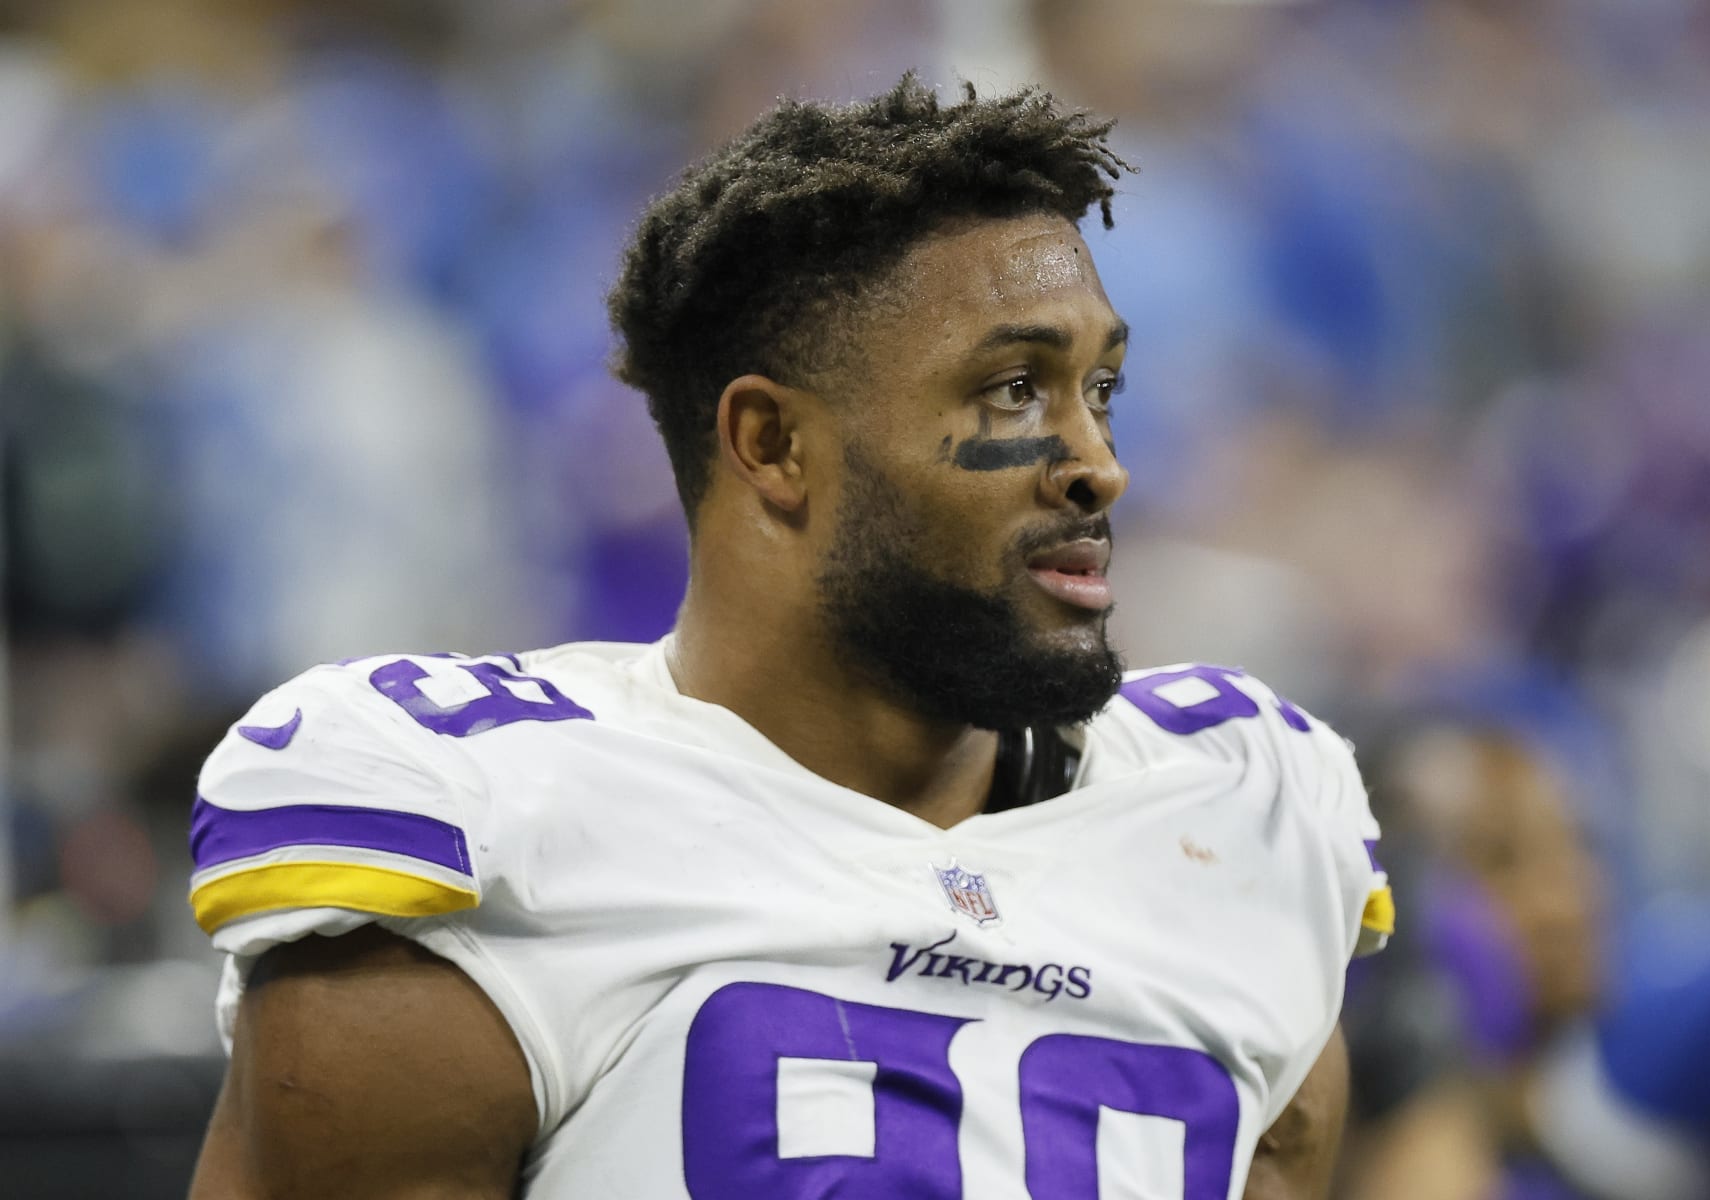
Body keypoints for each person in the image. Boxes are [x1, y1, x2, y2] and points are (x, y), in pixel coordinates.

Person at [185, 76, 1391, 1199]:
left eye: (1101, 390)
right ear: (772, 446)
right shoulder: (486, 823)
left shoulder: (1239, 819)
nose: (1100, 468)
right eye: (1014, 388)